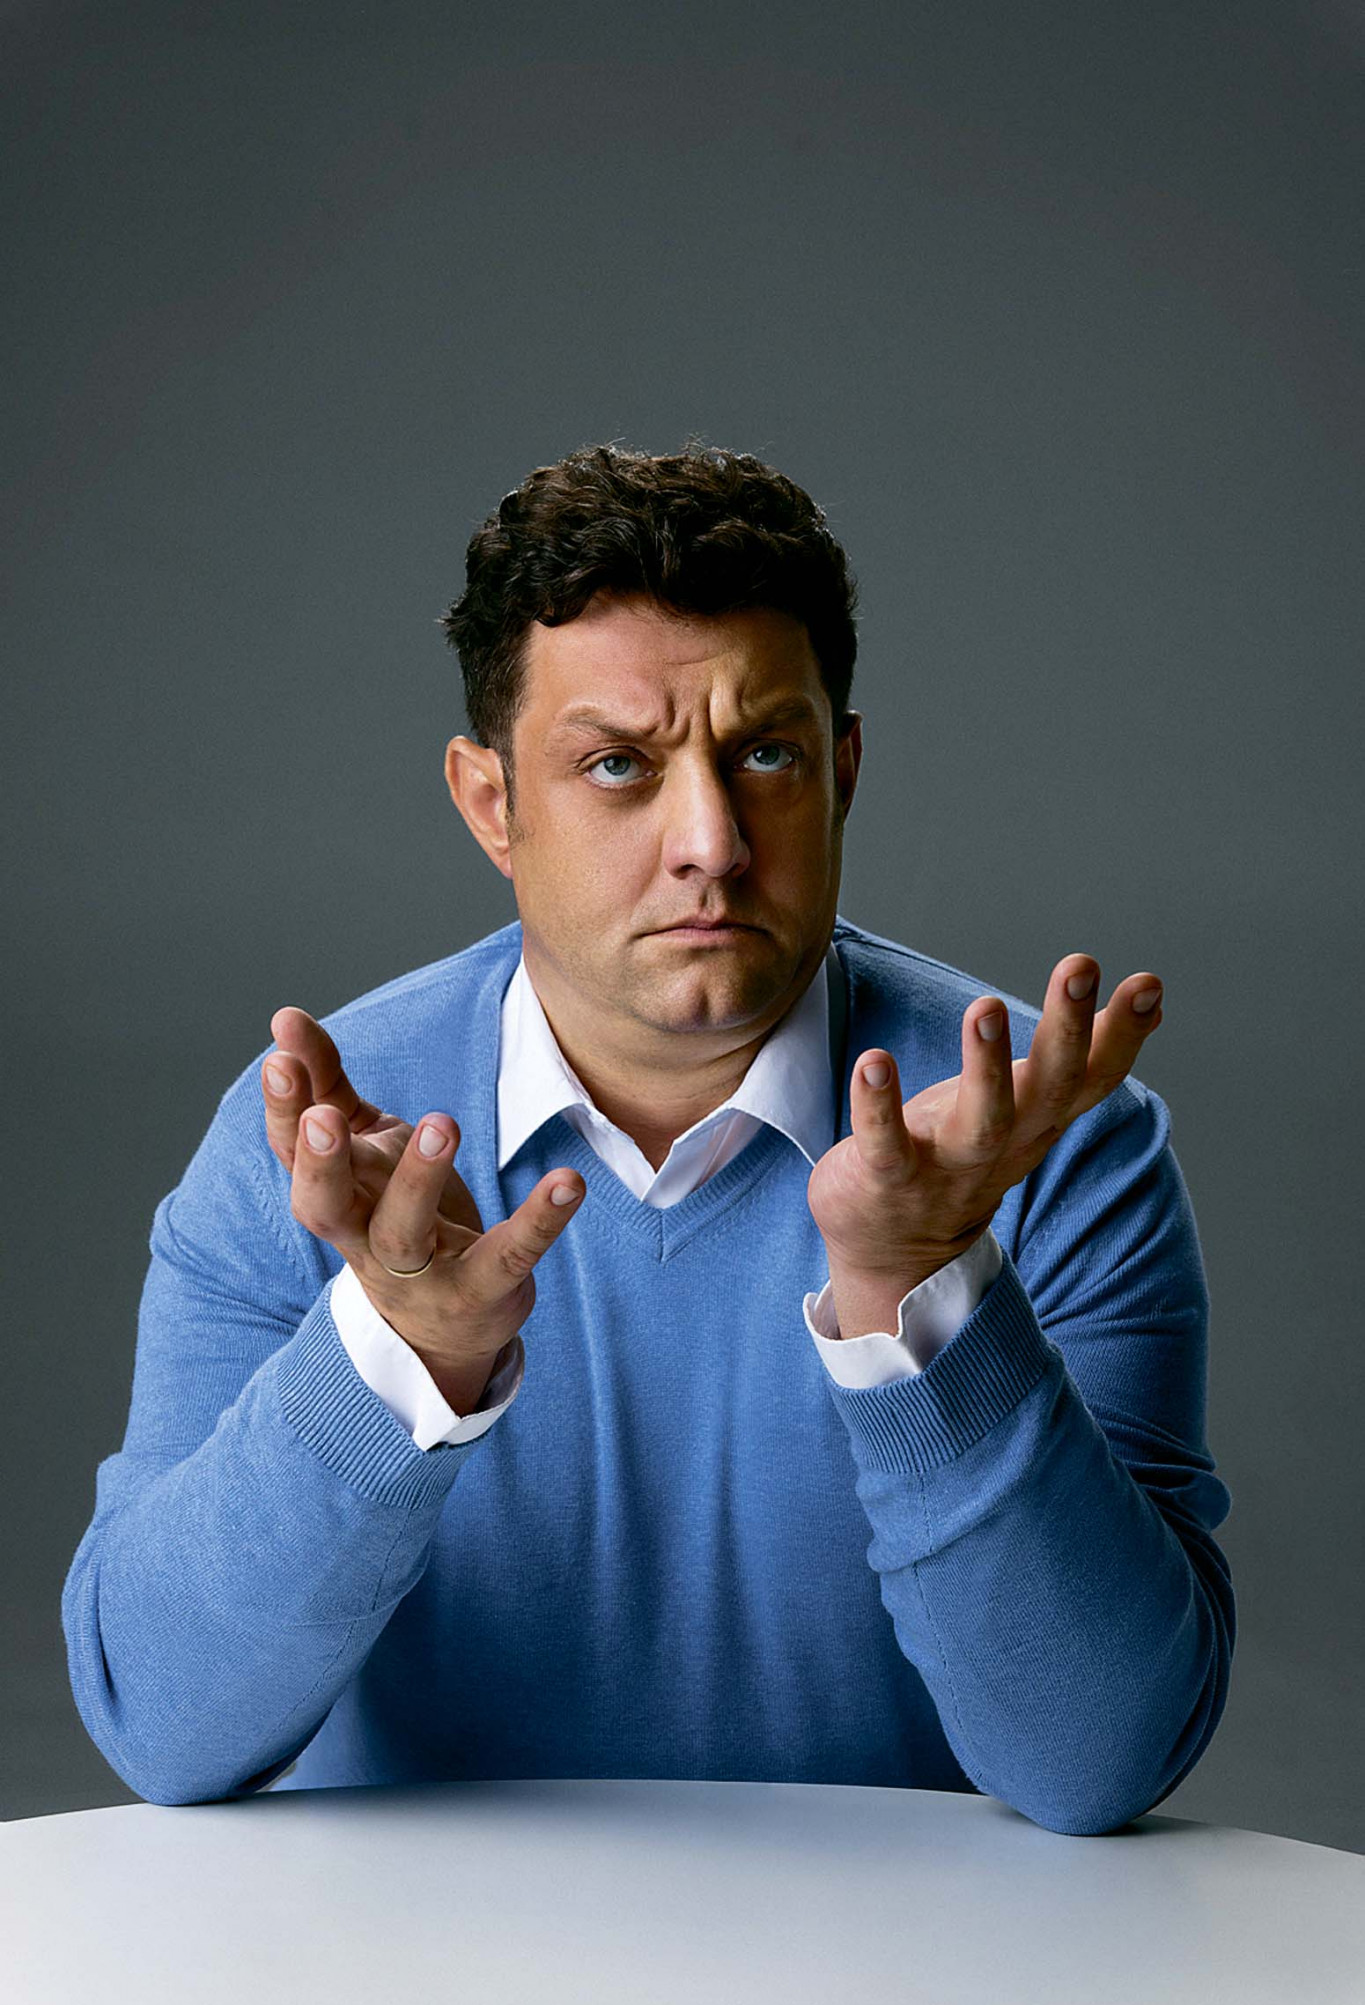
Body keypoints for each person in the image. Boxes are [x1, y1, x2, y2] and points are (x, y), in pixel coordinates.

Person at [62, 439, 1235, 1834]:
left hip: (899, 1958)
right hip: (410, 1962)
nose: (712, 844)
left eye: (766, 755)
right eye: (617, 765)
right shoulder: (323, 1147)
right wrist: (398, 1354)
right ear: (491, 802)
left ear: (843, 771)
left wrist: (918, 1293)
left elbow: (1101, 1759)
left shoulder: (1046, 1137)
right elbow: (162, 1721)